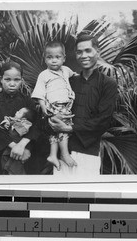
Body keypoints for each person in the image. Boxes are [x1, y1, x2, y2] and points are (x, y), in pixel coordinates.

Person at [49, 34, 118, 176]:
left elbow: (103, 120)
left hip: (88, 153)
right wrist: (52, 119)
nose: (83, 55)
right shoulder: (70, 81)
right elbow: (54, 104)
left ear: (97, 52)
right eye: (79, 52)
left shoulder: (107, 84)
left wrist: (69, 128)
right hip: (63, 151)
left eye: (88, 50)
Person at [0, 61, 38, 175]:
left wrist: (24, 147)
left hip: (25, 153)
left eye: (16, 80)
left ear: (21, 80)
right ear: (1, 79)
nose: (12, 84)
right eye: (7, 79)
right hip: (0, 154)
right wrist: (16, 147)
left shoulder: (28, 101)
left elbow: (36, 126)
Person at [31, 41, 77, 171]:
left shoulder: (66, 70)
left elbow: (75, 76)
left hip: (66, 105)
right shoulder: (44, 74)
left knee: (54, 130)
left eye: (57, 57)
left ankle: (52, 155)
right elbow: (39, 92)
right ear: (45, 59)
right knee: (64, 128)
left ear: (64, 58)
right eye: (49, 57)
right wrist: (43, 106)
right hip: (54, 106)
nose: (54, 61)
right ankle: (64, 154)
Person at [0, 107, 36, 174]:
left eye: (19, 112)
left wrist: (12, 123)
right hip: (8, 151)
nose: (16, 112)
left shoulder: (26, 125)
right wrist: (6, 123)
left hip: (17, 153)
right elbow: (6, 122)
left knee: (16, 171)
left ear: (24, 119)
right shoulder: (13, 120)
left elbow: (19, 131)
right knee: (6, 169)